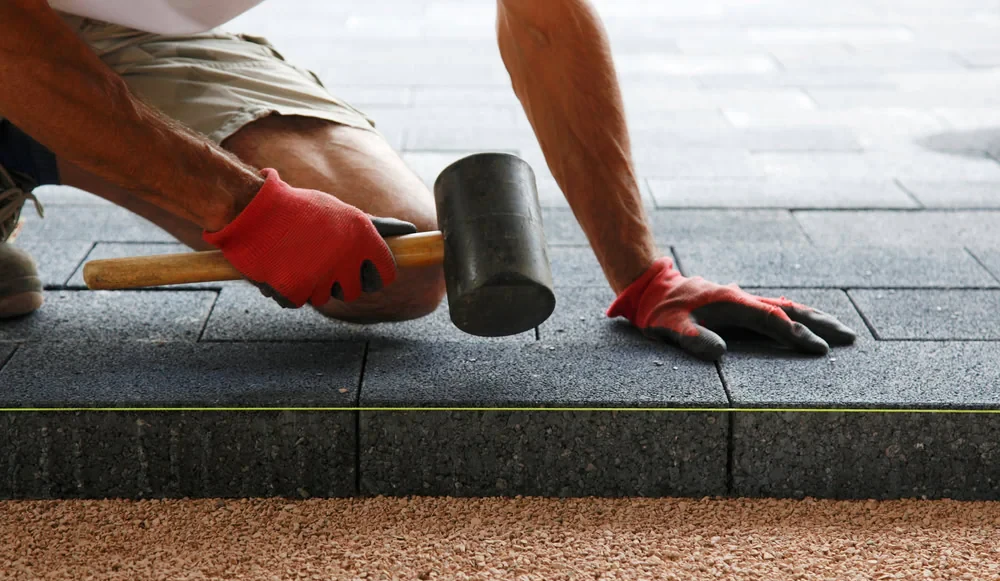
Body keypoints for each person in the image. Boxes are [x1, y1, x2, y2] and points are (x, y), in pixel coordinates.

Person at [0, 0, 856, 360]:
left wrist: (645, 276)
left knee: (392, 262)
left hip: (124, 30)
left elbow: (545, 19)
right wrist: (238, 209)